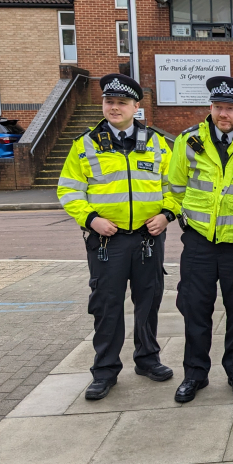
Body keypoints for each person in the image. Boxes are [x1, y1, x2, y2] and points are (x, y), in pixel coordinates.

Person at [58, 74, 178, 400]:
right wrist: (91, 219)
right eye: (109, 102)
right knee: (107, 305)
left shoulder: (155, 142)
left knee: (148, 301)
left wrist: (167, 215)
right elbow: (68, 190)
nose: (114, 107)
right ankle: (105, 370)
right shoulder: (86, 143)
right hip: (106, 241)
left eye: (122, 103)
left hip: (147, 238)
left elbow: (175, 186)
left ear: (136, 107)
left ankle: (147, 359)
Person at [167, 76, 233, 403]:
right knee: (194, 309)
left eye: (231, 108)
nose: (224, 114)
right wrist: (185, 218)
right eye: (218, 107)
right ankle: (195, 373)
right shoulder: (188, 140)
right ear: (211, 107)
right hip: (198, 244)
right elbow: (174, 188)